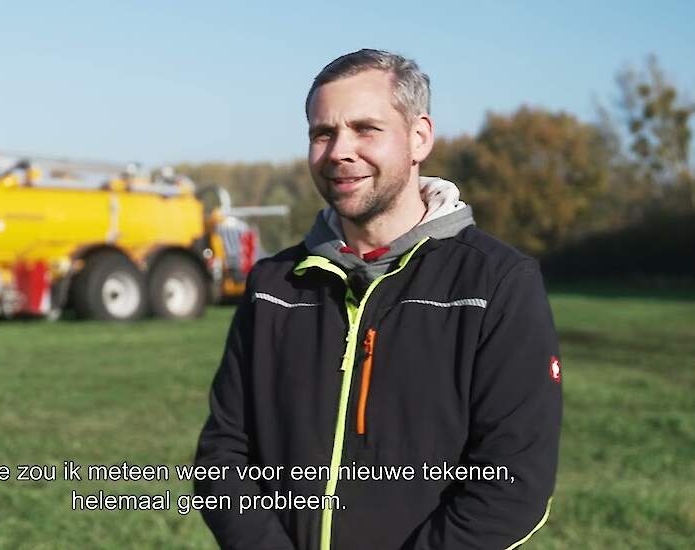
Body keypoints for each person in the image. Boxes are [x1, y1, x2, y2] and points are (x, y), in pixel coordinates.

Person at [194, 49, 562, 550]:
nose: (340, 151)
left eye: (366, 129)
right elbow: (224, 453)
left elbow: (514, 482)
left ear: (419, 138)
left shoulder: (497, 282)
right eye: (322, 133)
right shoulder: (273, 284)